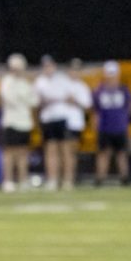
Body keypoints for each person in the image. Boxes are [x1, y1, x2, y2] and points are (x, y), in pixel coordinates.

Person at [0, 53, 39, 192]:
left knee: (23, 152)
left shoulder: (25, 83)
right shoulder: (7, 81)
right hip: (11, 122)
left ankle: (23, 180)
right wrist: (23, 98)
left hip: (24, 122)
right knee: (9, 153)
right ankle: (8, 180)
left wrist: (24, 98)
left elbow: (34, 101)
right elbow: (9, 99)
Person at [34, 55, 74, 190]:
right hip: (47, 119)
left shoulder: (62, 79)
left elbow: (70, 97)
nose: (48, 69)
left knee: (65, 150)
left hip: (61, 117)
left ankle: (67, 180)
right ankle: (52, 180)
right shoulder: (39, 81)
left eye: (50, 65)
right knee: (50, 150)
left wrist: (54, 100)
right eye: (45, 66)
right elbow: (37, 101)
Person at [93, 60, 131, 185]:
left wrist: (124, 117)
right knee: (103, 153)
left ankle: (125, 178)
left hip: (119, 127)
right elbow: (95, 110)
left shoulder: (123, 89)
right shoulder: (99, 91)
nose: (111, 77)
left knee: (121, 153)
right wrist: (96, 125)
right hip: (104, 127)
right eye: (109, 74)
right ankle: (100, 179)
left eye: (113, 74)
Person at [61, 58, 93, 190]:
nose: (75, 72)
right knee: (60, 151)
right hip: (61, 121)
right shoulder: (62, 84)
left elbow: (87, 106)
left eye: (77, 69)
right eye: (73, 69)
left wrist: (75, 101)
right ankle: (58, 178)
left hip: (75, 123)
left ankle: (69, 179)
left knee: (70, 152)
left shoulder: (82, 86)